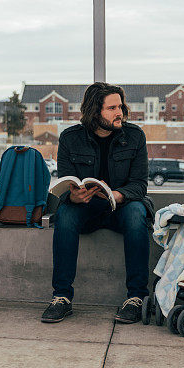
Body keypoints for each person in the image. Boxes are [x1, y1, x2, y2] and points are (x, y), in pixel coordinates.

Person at [41, 82, 153, 324]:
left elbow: (139, 185)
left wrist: (117, 195)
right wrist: (73, 196)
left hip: (121, 208)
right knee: (66, 214)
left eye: (120, 106)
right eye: (112, 108)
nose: (119, 112)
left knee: (137, 212)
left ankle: (136, 298)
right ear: (95, 111)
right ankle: (61, 297)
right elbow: (66, 184)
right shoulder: (70, 138)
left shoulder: (135, 136)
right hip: (86, 208)